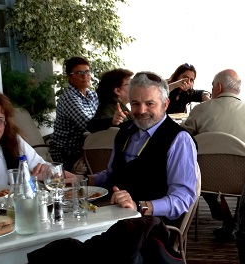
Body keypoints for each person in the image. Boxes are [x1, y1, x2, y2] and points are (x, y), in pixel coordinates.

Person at [88, 71, 197, 223]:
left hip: (151, 225)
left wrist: (139, 206)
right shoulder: (125, 131)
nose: (141, 110)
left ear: (165, 104)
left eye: (149, 104)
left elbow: (182, 199)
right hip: (113, 216)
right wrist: (81, 181)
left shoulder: (179, 140)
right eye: (135, 104)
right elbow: (111, 174)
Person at [182, 68, 245, 241]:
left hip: (206, 180)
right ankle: (239, 221)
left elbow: (182, 140)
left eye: (212, 86)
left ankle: (227, 220)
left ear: (218, 87)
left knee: (199, 167)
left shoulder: (200, 111)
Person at [49, 56, 99, 171]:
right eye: (80, 73)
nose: (85, 76)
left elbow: (99, 118)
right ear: (70, 77)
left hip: (84, 147)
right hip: (67, 153)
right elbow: (89, 126)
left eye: (87, 72)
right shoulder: (69, 97)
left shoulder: (92, 95)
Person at [86, 68, 133, 133]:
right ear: (117, 91)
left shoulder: (119, 107)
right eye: (131, 84)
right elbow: (92, 125)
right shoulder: (109, 106)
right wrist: (112, 121)